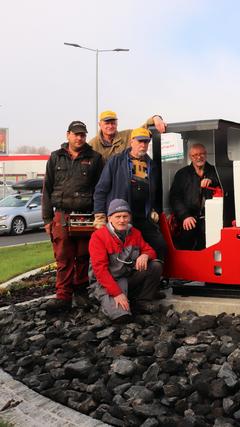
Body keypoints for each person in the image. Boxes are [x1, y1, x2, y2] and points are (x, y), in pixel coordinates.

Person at [41, 121, 103, 312]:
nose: (79, 138)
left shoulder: (95, 158)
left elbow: (100, 189)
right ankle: (63, 296)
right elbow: (46, 189)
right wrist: (47, 220)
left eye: (82, 135)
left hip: (86, 215)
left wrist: (99, 216)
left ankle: (81, 292)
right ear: (68, 134)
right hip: (61, 215)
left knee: (84, 256)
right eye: (76, 134)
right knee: (63, 257)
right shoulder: (55, 158)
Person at [93, 128, 167, 261]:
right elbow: (101, 189)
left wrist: (155, 209)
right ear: (131, 142)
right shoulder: (116, 161)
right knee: (126, 253)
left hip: (144, 217)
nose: (143, 145)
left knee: (159, 245)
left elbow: (156, 193)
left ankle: (153, 277)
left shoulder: (152, 165)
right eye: (140, 141)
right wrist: (99, 215)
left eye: (146, 142)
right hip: (122, 218)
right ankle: (130, 280)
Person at [89, 199, 162, 323]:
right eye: (118, 216)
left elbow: (151, 251)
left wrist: (145, 255)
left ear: (129, 217)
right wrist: (117, 293)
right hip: (106, 283)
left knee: (155, 265)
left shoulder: (135, 233)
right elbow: (100, 271)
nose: (122, 220)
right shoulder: (98, 237)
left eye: (125, 216)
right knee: (122, 318)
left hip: (127, 277)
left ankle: (142, 301)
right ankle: (105, 301)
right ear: (109, 218)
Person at [169, 143, 220, 250]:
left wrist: (212, 181)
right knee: (186, 240)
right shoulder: (182, 174)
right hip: (189, 216)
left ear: (206, 155)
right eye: (195, 155)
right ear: (190, 157)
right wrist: (185, 216)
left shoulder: (216, 172)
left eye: (201, 154)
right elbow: (175, 198)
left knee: (211, 244)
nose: (199, 157)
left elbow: (224, 187)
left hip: (212, 218)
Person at [89, 110, 167, 161]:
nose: (110, 126)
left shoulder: (127, 135)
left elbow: (143, 130)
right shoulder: (92, 144)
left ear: (117, 123)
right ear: (100, 124)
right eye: (107, 123)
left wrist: (155, 118)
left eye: (113, 123)